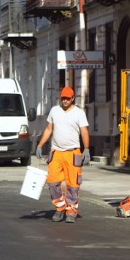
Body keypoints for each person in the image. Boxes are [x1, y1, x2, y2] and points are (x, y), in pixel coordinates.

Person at [35, 86, 91, 223]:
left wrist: (87, 149)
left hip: (73, 153)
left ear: (72, 99)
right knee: (52, 182)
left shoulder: (79, 113)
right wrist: (40, 145)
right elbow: (49, 129)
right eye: (63, 98)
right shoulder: (55, 111)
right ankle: (60, 208)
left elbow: (84, 131)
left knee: (73, 185)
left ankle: (71, 211)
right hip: (56, 152)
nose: (65, 101)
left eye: (67, 98)